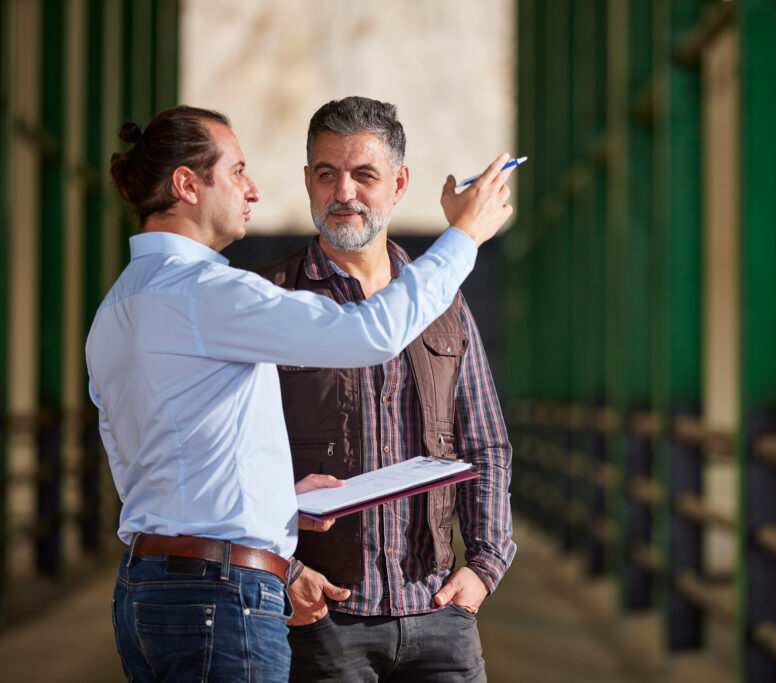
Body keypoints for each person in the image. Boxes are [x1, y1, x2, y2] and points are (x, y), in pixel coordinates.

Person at [85, 104, 516, 682]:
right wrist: (464, 235)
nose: (252, 189)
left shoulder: (117, 306)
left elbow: (161, 464)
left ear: (397, 183)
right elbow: (372, 333)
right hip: (228, 597)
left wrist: (278, 500)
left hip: (152, 588)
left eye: (364, 174)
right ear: (187, 185)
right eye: (237, 171)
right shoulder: (216, 295)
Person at [258, 97, 515, 682]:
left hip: (440, 613)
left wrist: (485, 565)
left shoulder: (444, 302)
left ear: (399, 184)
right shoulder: (267, 302)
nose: (343, 191)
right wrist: (283, 570)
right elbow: (229, 456)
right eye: (327, 174)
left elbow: (487, 445)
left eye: (364, 175)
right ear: (306, 182)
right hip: (321, 614)